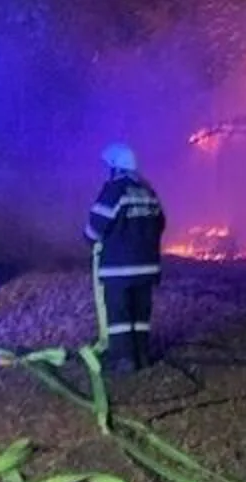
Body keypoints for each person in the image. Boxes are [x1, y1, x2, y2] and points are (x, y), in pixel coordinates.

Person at [84, 142, 166, 373]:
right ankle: (141, 356)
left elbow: (94, 228)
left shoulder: (114, 190)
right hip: (147, 267)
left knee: (119, 316)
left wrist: (91, 241)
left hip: (119, 268)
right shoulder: (148, 190)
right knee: (140, 314)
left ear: (114, 167)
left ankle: (123, 361)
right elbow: (161, 223)